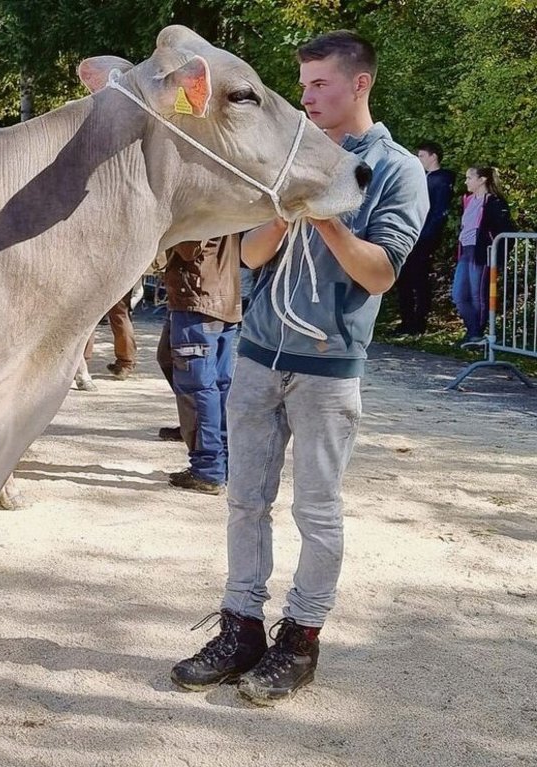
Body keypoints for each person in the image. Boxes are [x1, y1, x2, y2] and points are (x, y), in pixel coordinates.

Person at [170, 31, 428, 705]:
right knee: (244, 503)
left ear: (360, 84)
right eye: (304, 84)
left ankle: (302, 639)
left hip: (327, 367)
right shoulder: (285, 151)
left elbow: (378, 274)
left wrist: (328, 217)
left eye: (319, 84)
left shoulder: (395, 170)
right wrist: (284, 214)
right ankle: (241, 627)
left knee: (318, 510)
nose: (307, 96)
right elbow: (249, 257)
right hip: (257, 356)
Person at [155, 235, 242, 495]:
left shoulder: (202, 200)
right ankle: (217, 456)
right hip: (217, 299)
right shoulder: (228, 197)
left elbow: (189, 247)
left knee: (199, 387)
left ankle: (208, 469)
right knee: (209, 381)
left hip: (198, 298)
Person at [395, 142, 455, 334]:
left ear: (433, 156)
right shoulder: (421, 178)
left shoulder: (441, 181)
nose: (419, 160)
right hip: (410, 234)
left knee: (419, 280)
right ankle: (406, 321)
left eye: (422, 156)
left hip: (423, 238)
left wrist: (427, 237)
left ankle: (419, 323)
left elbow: (439, 211)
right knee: (403, 279)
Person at [451, 165, 514, 347]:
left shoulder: (494, 202)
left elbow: (506, 231)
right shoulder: (468, 200)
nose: (466, 181)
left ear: (482, 179)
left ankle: (476, 334)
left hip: (482, 254)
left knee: (478, 294)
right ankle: (472, 332)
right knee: (458, 295)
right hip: (466, 253)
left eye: (470, 177)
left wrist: (496, 254)